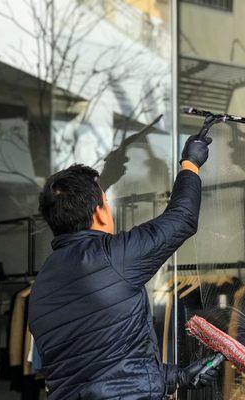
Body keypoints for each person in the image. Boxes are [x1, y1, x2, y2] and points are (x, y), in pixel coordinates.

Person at [29, 133, 218, 399]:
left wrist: (180, 376)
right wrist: (190, 164)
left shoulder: (41, 287)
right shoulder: (111, 256)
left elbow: (100, 370)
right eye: (106, 202)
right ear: (98, 212)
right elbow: (182, 218)